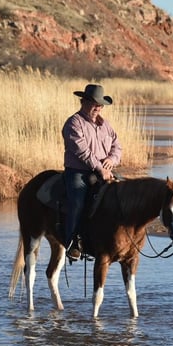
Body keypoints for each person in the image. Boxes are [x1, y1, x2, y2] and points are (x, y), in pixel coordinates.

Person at [62, 84, 122, 261]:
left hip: (104, 171)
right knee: (77, 203)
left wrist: (112, 160)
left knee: (123, 197)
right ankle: (72, 243)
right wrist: (100, 168)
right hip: (78, 172)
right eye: (94, 104)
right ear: (83, 102)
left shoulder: (106, 125)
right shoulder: (73, 123)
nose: (98, 108)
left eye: (101, 105)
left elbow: (117, 146)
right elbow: (82, 151)